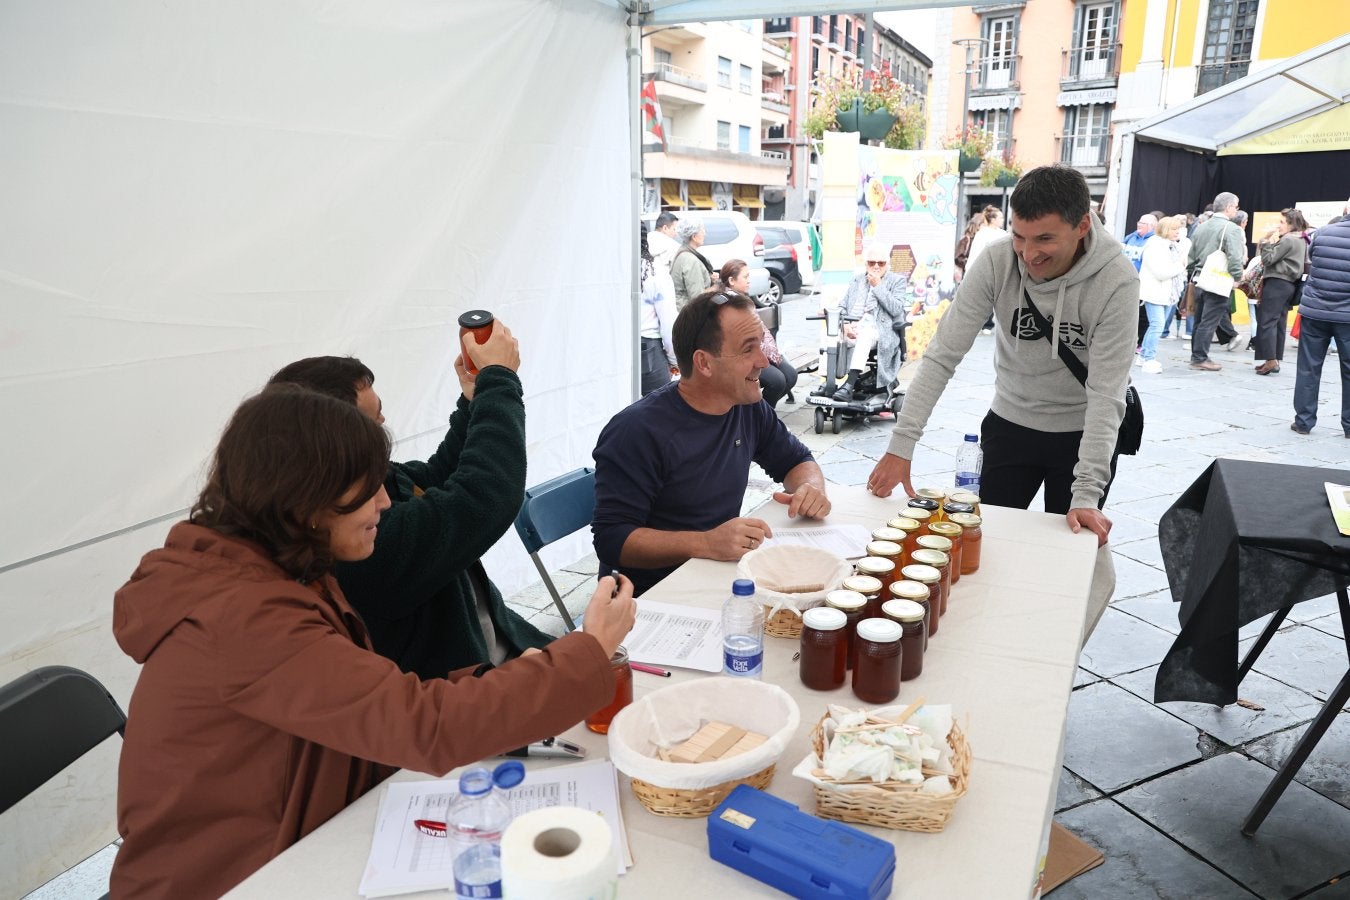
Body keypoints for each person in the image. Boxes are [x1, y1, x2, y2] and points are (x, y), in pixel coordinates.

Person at [111, 385, 636, 899]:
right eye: (368, 488)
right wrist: (587, 651)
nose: (386, 501)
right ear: (307, 501)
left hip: (307, 833)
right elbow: (425, 725)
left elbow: (363, 694)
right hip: (233, 877)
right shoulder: (244, 618)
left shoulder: (281, 569)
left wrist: (495, 680)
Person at [866, 165, 1137, 548]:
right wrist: (901, 446)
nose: (1028, 254)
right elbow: (942, 356)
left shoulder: (1116, 280)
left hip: (1081, 433)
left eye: (1044, 239)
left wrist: (1088, 493)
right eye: (1020, 237)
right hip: (1009, 426)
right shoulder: (996, 261)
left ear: (1082, 226)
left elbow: (1107, 393)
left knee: (1065, 555)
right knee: (985, 543)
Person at [268, 324, 552, 681]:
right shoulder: (356, 541)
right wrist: (499, 382)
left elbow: (440, 479)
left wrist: (473, 402)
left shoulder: (365, 492)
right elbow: (482, 497)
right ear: (329, 443)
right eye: (371, 422)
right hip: (470, 690)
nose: (384, 424)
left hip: (506, 652)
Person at [592, 288, 831, 595]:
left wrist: (810, 488)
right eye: (748, 349)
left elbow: (796, 460)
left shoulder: (747, 406)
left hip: (721, 574)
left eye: (761, 343)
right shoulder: (637, 431)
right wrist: (705, 542)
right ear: (704, 363)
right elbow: (612, 539)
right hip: (656, 596)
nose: (764, 360)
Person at [824, 242, 907, 401]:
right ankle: (828, 384)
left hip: (880, 331)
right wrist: (846, 326)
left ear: (887, 265)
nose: (876, 266)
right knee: (828, 334)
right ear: (866, 264)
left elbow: (896, 309)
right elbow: (842, 306)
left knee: (866, 335)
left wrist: (878, 286)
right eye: (872, 262)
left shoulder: (897, 281)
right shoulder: (857, 280)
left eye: (881, 263)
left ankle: (849, 385)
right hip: (854, 326)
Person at [1291, 215, 1350, 436]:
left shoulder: (1323, 232)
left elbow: (1314, 259)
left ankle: (1304, 421)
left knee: (1309, 367)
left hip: (1316, 310)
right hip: (1347, 315)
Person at [721, 259, 797, 408]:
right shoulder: (727, 302)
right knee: (777, 381)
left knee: (790, 375)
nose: (749, 280)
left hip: (760, 351)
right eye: (745, 277)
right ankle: (760, 418)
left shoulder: (743, 299)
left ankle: (761, 414)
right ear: (731, 280)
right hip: (742, 357)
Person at [1186, 191, 1247, 371]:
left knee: (1199, 321)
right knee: (1209, 321)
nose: (1237, 210)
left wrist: (1193, 274)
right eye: (1236, 207)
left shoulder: (1201, 226)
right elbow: (1235, 258)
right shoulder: (1232, 229)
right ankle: (1200, 358)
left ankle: (1196, 355)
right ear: (1228, 208)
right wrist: (1237, 277)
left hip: (1199, 278)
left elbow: (1191, 256)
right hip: (1218, 280)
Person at [1254, 208, 1309, 375]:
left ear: (1291, 224)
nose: (1279, 225)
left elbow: (1268, 259)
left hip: (1278, 283)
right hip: (1289, 285)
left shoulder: (1288, 240)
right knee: (1278, 323)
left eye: (1282, 222)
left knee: (1267, 321)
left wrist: (1265, 242)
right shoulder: (1301, 239)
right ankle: (1274, 359)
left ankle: (1270, 360)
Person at [1138, 216, 1187, 374]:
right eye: (1174, 229)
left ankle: (1144, 355)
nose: (1177, 232)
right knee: (1157, 325)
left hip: (1166, 294)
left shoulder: (1172, 246)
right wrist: (1180, 265)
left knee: (1155, 325)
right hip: (1155, 292)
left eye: (1178, 229)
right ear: (1164, 229)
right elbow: (1161, 272)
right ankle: (1148, 359)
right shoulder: (1156, 245)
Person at [640, 230, 679, 395]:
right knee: (658, 409)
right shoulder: (654, 271)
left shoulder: (611, 268)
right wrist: (674, 360)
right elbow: (669, 323)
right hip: (648, 349)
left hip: (613, 345)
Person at [967, 205, 1006, 334]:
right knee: (986, 299)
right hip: (986, 271)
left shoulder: (1003, 234)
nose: (1002, 219)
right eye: (1000, 217)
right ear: (993, 219)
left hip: (1001, 271)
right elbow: (975, 254)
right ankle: (986, 324)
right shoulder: (982, 234)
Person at [670, 217, 713, 309]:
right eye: (702, 230)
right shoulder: (691, 260)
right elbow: (698, 298)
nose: (704, 233)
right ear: (694, 237)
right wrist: (715, 288)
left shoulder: (682, 253)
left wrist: (706, 276)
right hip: (689, 315)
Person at [953, 213, 983, 283]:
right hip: (967, 277)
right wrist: (970, 262)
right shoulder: (967, 239)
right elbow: (958, 258)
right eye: (984, 224)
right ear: (978, 225)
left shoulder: (981, 239)